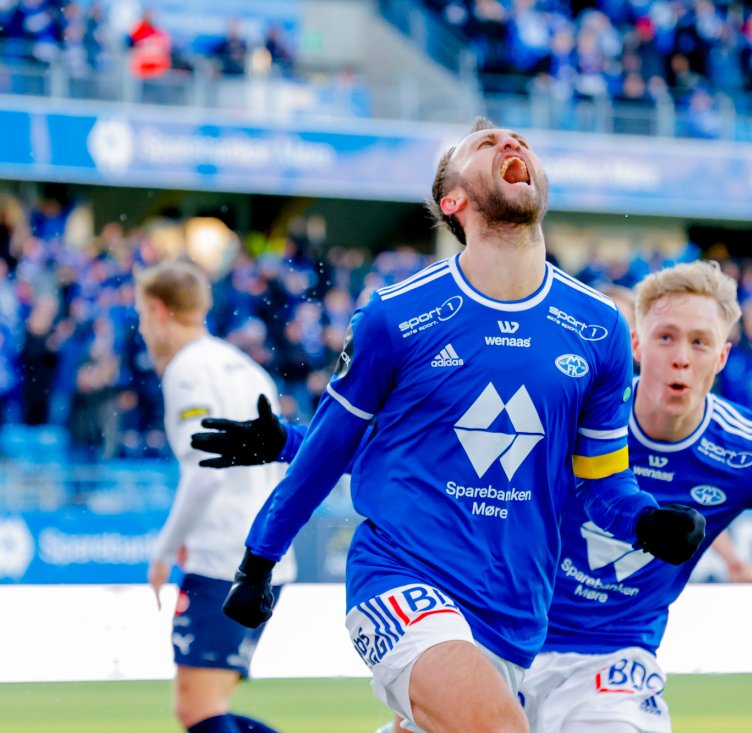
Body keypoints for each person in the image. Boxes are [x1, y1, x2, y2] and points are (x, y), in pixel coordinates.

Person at [196, 260, 752, 733]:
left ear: (724, 354)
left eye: (701, 340)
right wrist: (292, 444)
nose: (682, 355)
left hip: (608, 663)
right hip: (491, 636)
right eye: (665, 336)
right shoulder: (562, 408)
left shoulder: (747, 453)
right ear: (633, 343)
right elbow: (431, 483)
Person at [213, 117, 705, 733]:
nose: (511, 142)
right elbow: (330, 453)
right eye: (484, 143)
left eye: (519, 138)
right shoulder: (395, 317)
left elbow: (603, 487)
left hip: (515, 613)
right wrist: (258, 560)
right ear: (455, 202)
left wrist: (646, 520)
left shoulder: (600, 329)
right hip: (400, 578)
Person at [136, 259, 295, 733]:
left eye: (142, 316)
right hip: (259, 554)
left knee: (198, 710)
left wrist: (163, 551)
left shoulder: (187, 371)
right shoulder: (241, 366)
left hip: (223, 559)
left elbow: (205, 474)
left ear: (158, 311)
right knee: (207, 706)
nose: (143, 330)